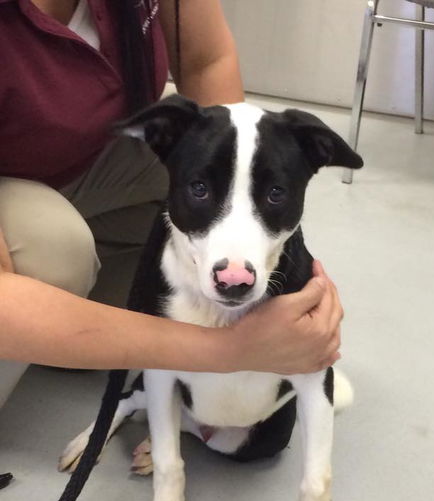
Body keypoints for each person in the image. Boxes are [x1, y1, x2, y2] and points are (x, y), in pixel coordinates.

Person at [0, 0, 344, 413]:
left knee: (202, 176)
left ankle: (75, 323)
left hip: (83, 158)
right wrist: (229, 350)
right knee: (56, 253)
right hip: (18, 191)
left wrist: (272, 261)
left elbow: (206, 60)